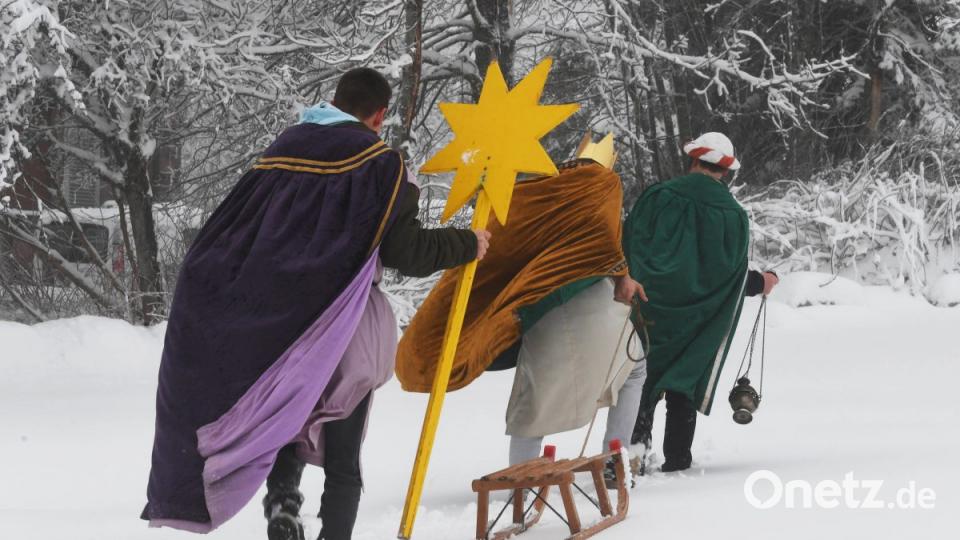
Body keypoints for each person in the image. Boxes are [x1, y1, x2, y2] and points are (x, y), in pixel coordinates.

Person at [140, 67, 490, 540]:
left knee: (285, 415)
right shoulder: (382, 164)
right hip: (342, 327)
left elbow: (235, 233)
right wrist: (467, 242)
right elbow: (403, 251)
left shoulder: (280, 151)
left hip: (274, 329)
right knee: (343, 455)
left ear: (336, 101)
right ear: (378, 115)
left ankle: (283, 503)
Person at [396, 133, 648, 475]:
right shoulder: (603, 184)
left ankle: (524, 474)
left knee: (534, 400)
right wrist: (622, 276)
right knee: (633, 367)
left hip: (537, 309)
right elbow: (602, 242)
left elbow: (508, 239)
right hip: (587, 306)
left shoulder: (539, 191)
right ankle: (614, 460)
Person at [614, 132, 778, 474]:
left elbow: (626, 249)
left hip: (648, 311)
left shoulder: (656, 198)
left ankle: (632, 456)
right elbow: (730, 278)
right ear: (726, 171)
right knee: (683, 382)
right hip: (698, 320)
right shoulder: (733, 216)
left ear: (693, 160)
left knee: (640, 380)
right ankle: (677, 459)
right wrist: (762, 281)